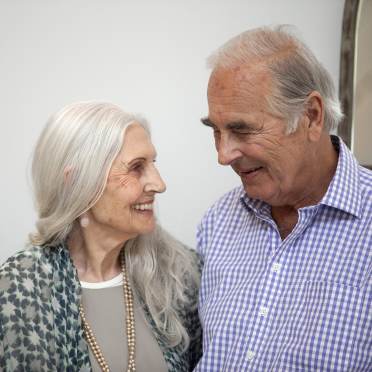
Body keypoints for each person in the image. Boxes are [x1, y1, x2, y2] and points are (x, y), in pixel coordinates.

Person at [195, 26, 371, 371]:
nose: (224, 154)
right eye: (216, 131)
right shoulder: (218, 221)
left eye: (242, 129)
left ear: (311, 116)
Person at [0, 102, 202, 371]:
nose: (159, 184)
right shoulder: (22, 283)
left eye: (153, 163)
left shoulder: (179, 271)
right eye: (136, 167)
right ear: (77, 183)